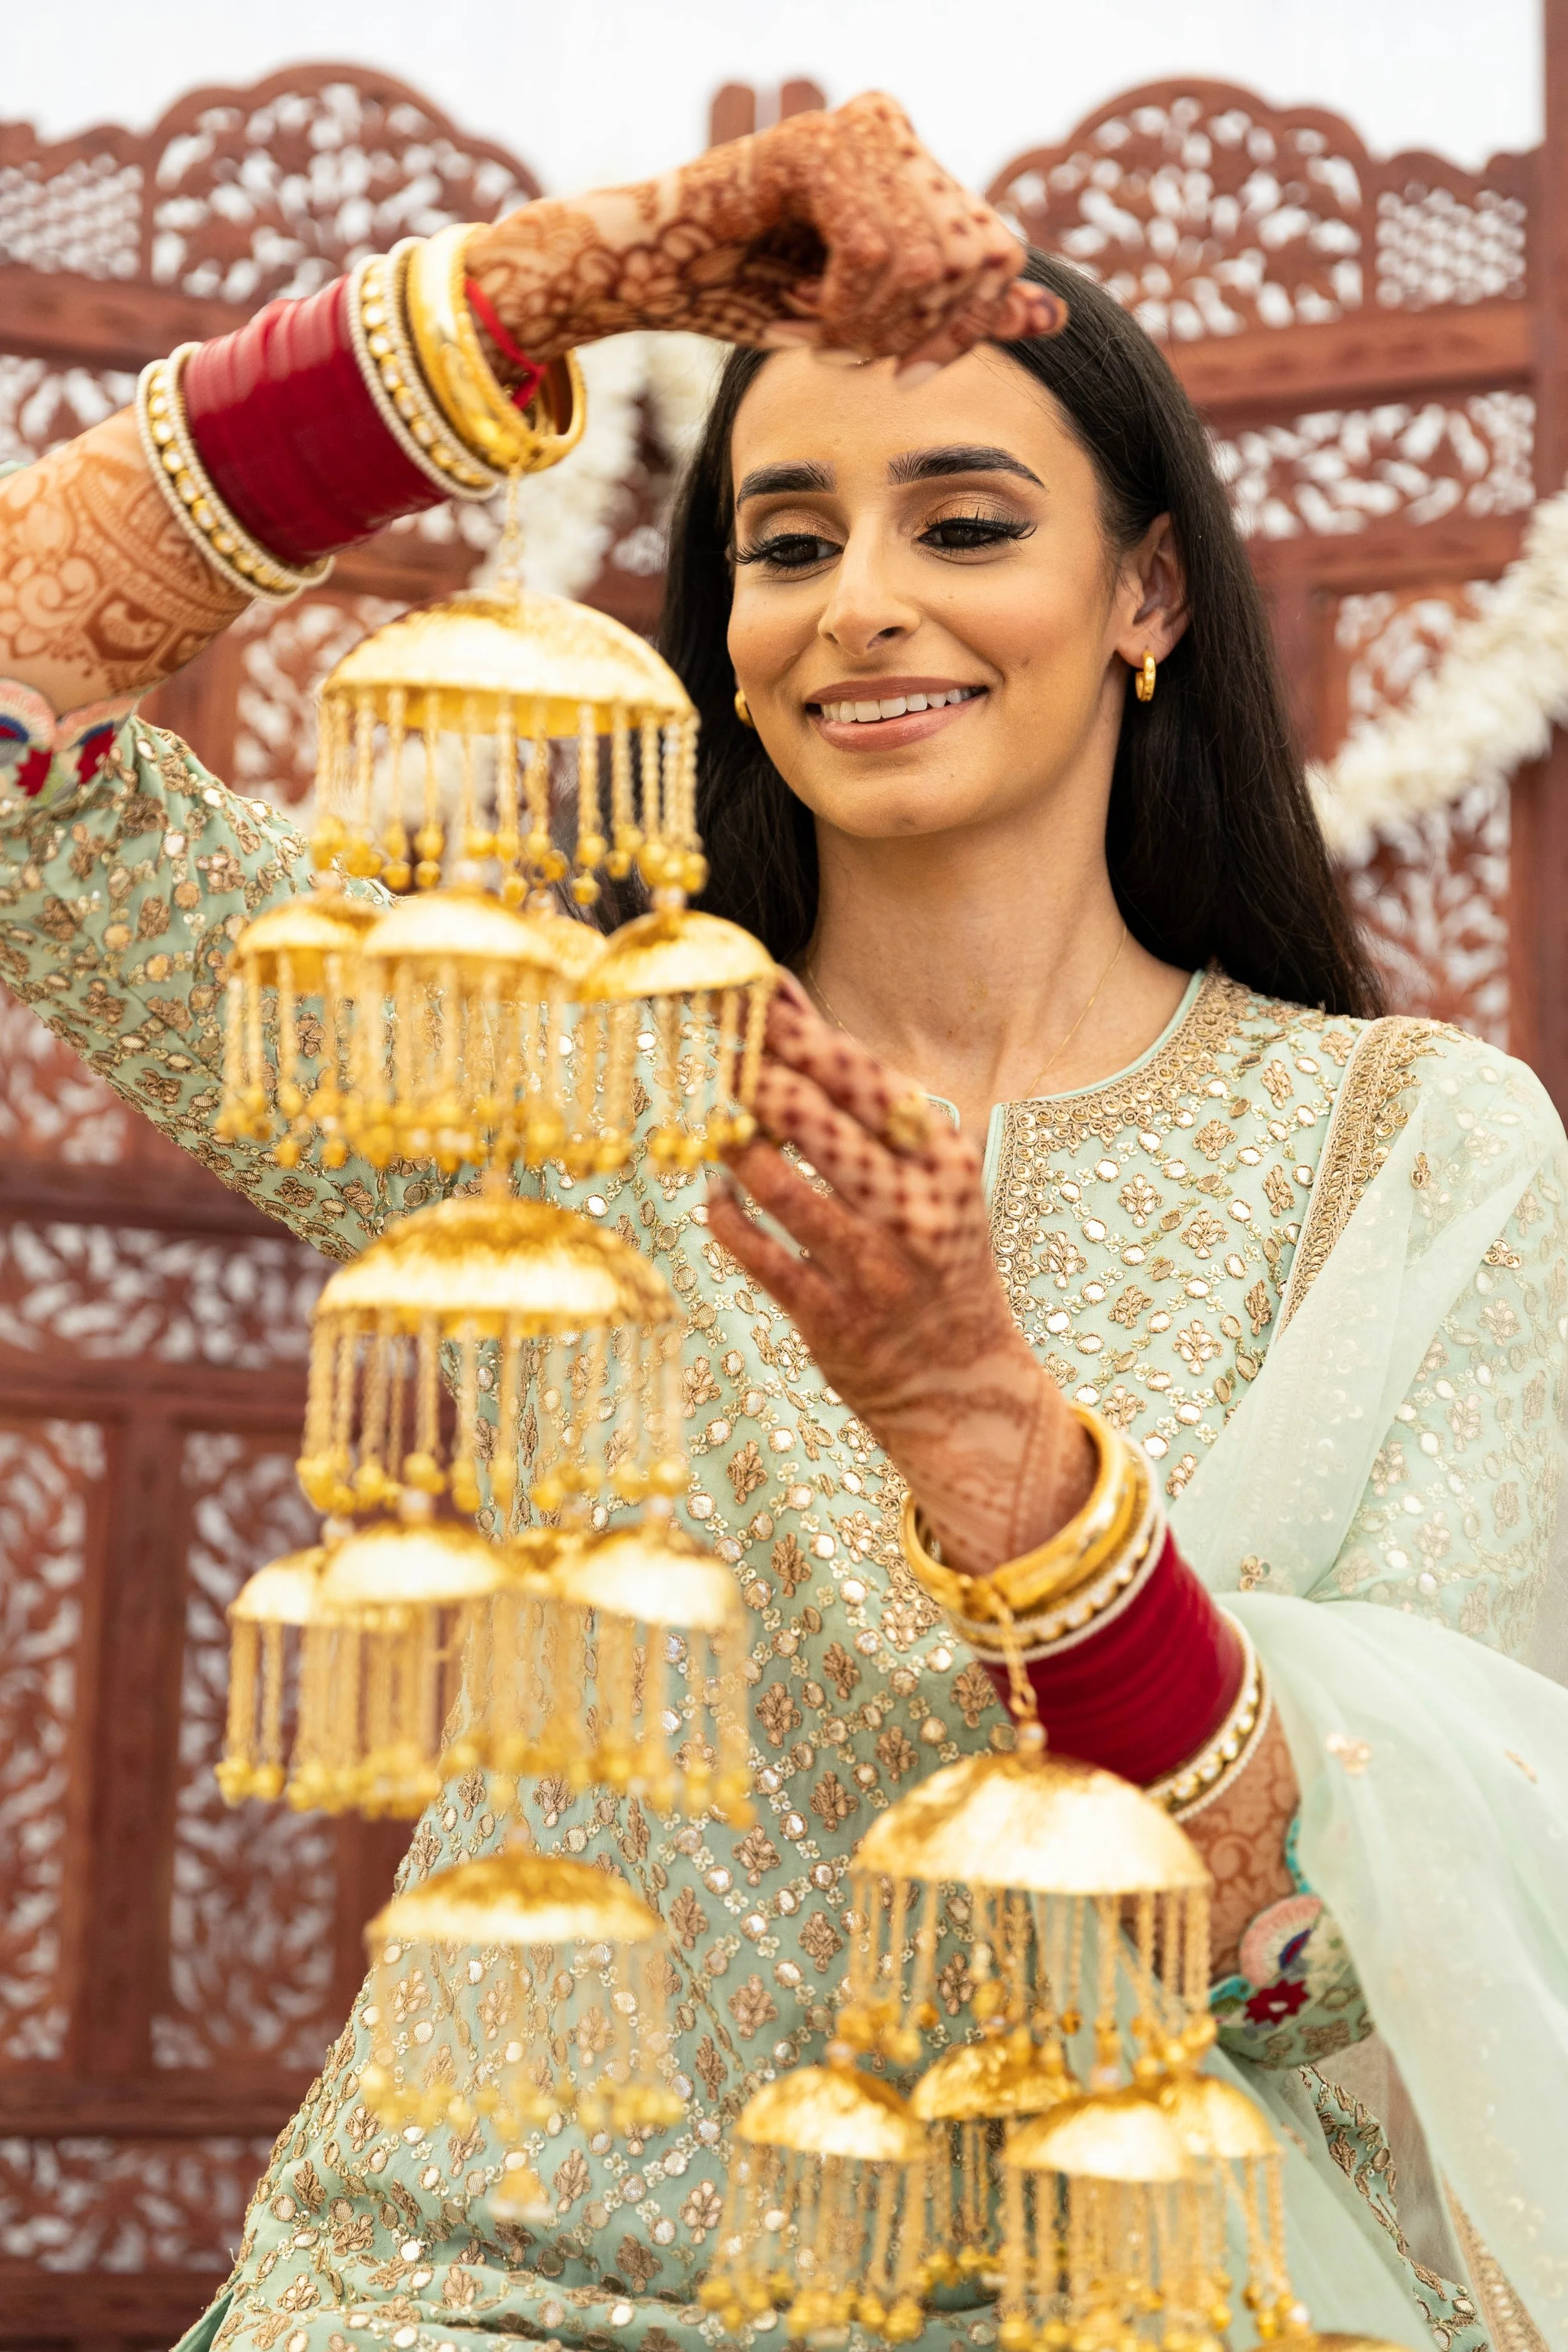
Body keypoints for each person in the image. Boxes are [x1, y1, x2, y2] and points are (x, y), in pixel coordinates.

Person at [1, 90, 1565, 2352]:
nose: (867, 605)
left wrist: (976, 1423)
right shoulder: (545, 1068)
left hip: (1089, 2291)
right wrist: (552, 287)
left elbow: (1320, 1944)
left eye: (964, 520)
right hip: (473, 2276)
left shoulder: (1408, 1157)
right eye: (788, 538)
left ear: (1143, 592)